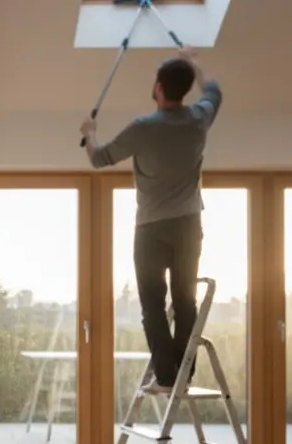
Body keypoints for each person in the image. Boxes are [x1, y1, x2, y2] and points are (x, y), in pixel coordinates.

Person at [79, 47, 221, 392]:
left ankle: (168, 377)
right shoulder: (199, 119)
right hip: (188, 224)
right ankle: (183, 375)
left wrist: (90, 131)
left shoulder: (143, 128)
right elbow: (214, 89)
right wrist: (191, 61)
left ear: (158, 87)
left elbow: (98, 159)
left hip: (151, 228)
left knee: (152, 304)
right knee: (184, 301)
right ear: (184, 88)